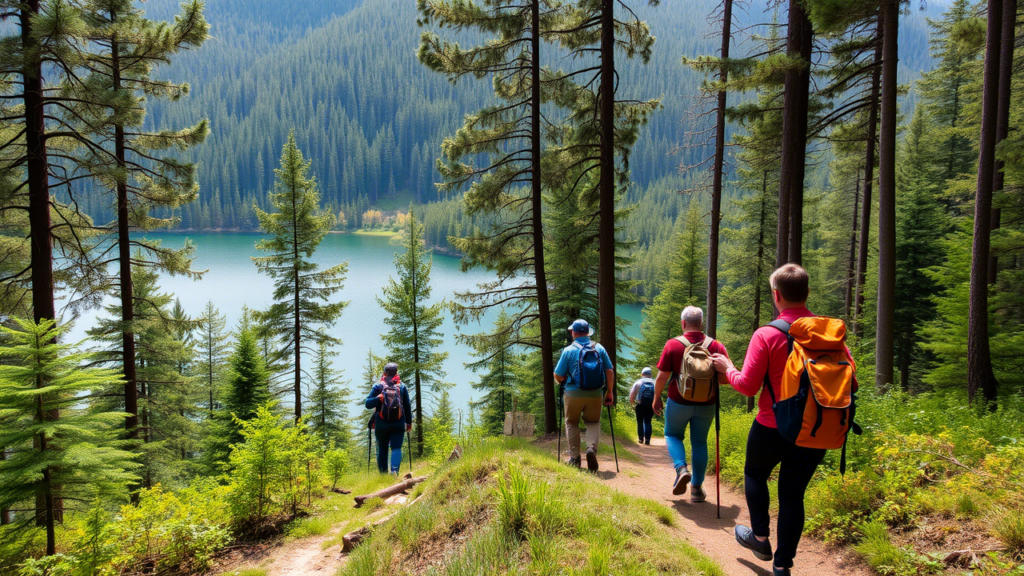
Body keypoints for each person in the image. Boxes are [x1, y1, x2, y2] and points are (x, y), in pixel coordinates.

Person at [711, 264, 853, 576]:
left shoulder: (767, 334)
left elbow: (747, 385)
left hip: (771, 426)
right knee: (792, 495)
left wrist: (727, 367)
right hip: (815, 427)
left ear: (777, 295)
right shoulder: (830, 334)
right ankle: (782, 565)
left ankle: (760, 537)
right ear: (808, 293)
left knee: (755, 474)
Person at [651, 306, 730, 503]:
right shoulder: (716, 346)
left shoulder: (673, 344)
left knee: (672, 435)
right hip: (707, 404)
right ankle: (696, 489)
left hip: (679, 401)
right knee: (699, 442)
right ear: (701, 323)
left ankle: (681, 469)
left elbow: (662, 376)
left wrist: (656, 397)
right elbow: (723, 380)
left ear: (683, 323)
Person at [554, 319, 615, 472]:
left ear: (573, 332)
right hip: (595, 393)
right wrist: (609, 391)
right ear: (588, 333)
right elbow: (609, 370)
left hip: (573, 394)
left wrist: (563, 379)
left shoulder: (568, 350)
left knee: (572, 422)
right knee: (593, 422)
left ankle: (574, 458)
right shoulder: (599, 348)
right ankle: (591, 449)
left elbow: (558, 375)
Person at [364, 362, 413, 474]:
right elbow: (407, 406)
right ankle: (394, 472)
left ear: (384, 373)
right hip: (398, 423)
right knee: (396, 448)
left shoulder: (378, 386)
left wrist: (378, 398)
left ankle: (383, 474)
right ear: (396, 373)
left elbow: (367, 404)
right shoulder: (402, 387)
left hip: (381, 424)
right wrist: (409, 422)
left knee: (382, 449)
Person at [628, 367, 656, 445]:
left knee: (639, 422)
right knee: (648, 422)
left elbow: (632, 395)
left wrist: (632, 402)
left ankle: (641, 439)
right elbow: (658, 395)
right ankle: (647, 440)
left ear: (642, 374)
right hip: (650, 405)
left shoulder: (638, 382)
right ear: (650, 374)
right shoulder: (655, 383)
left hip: (640, 405)